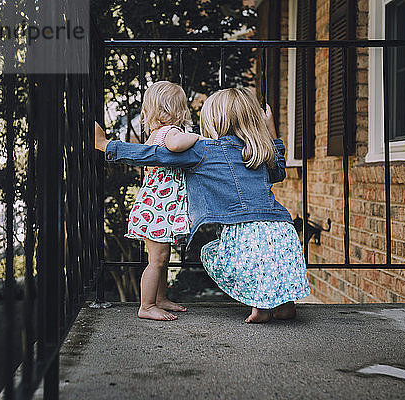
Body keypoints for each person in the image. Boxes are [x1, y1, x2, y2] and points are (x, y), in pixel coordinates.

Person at [96, 87, 311, 323]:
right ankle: (286, 305)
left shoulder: (205, 150)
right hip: (282, 228)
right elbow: (279, 172)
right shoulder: (258, 149)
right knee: (271, 258)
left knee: (215, 254)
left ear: (214, 120)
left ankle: (259, 305)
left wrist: (107, 145)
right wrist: (271, 133)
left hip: (244, 229)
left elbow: (153, 155)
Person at [119, 80, 202, 321]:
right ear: (177, 110)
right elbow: (176, 145)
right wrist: (197, 137)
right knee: (157, 260)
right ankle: (146, 306)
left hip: (155, 206)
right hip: (158, 209)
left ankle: (160, 299)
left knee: (161, 258)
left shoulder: (154, 135)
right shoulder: (170, 132)